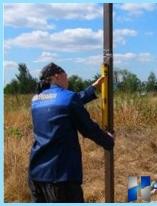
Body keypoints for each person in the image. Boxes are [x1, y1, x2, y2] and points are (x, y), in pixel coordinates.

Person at [28, 62, 114, 203]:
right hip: (60, 177)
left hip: (36, 175)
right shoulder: (67, 98)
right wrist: (109, 141)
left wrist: (93, 87)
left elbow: (69, 101)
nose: (68, 80)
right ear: (56, 76)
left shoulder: (36, 100)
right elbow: (89, 129)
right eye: (66, 76)